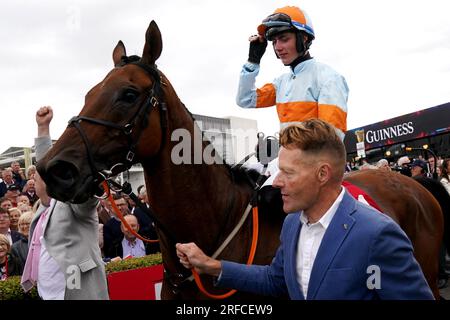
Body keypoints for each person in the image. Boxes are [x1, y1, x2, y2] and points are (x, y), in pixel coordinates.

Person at [176, 119, 433, 300]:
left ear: (322, 174)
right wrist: (210, 265)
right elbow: (274, 280)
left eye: (287, 173)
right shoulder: (291, 224)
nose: (276, 182)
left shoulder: (378, 235)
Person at [20, 106, 109, 300]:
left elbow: (87, 197)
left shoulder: (74, 205)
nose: (35, 179)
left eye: (38, 178)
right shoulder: (42, 210)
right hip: (47, 294)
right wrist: (43, 128)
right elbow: (46, 164)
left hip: (77, 294)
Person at [237, 6, 348, 140]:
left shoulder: (329, 78)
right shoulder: (280, 83)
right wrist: (253, 60)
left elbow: (331, 141)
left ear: (304, 38)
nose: (277, 47)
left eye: (284, 39)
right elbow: (244, 100)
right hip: (287, 159)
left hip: (311, 160)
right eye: (274, 41)